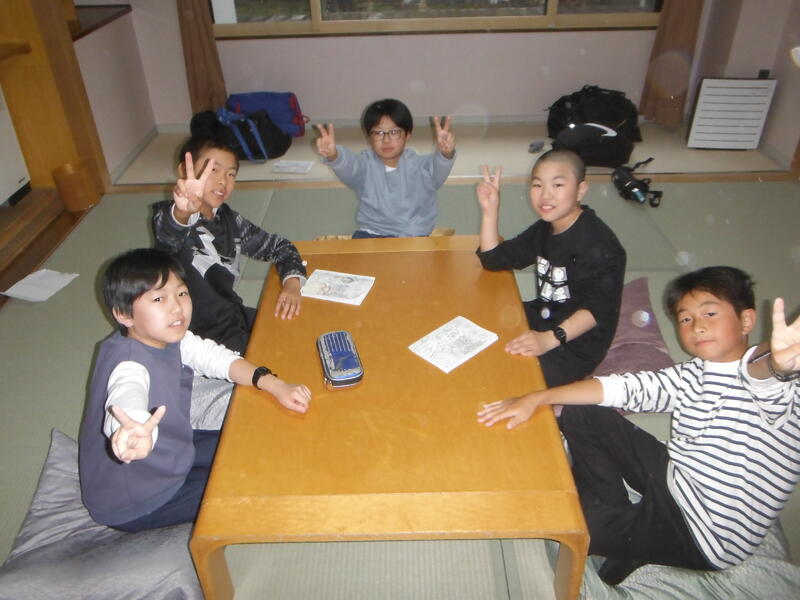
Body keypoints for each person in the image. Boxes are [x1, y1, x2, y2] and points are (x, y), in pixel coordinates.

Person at [477, 266, 800, 585]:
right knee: (582, 412)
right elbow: (622, 387)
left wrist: (779, 365)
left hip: (704, 533)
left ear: (746, 320)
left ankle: (623, 542)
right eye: (685, 319)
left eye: (710, 313)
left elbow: (766, 375)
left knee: (567, 524)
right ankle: (618, 518)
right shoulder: (692, 373)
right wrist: (536, 398)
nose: (697, 327)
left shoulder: (780, 386)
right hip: (677, 476)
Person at [78, 248, 311, 531]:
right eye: (159, 299)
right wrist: (131, 429)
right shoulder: (128, 363)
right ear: (124, 314)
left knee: (255, 442)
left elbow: (214, 357)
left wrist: (274, 384)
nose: (177, 307)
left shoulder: (165, 337)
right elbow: (126, 393)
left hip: (173, 449)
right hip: (137, 499)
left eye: (182, 293)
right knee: (257, 480)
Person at [476, 149, 626, 387]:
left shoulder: (601, 245)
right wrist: (489, 211)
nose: (545, 195)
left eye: (557, 185)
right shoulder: (545, 228)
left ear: (581, 190)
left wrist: (549, 339)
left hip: (577, 344)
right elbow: (494, 259)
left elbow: (596, 310)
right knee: (478, 322)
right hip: (545, 315)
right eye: (537, 185)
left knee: (508, 379)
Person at [152, 125, 306, 355]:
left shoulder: (229, 219)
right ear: (185, 170)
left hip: (232, 315)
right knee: (279, 359)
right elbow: (168, 235)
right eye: (213, 170)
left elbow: (280, 246)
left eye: (231, 174)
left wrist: (292, 284)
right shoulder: (172, 218)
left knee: (300, 328)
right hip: (201, 337)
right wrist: (182, 211)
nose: (223, 181)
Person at [314, 98, 456, 238]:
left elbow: (438, 169)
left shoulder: (420, 166)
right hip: (372, 233)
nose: (386, 140)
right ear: (369, 137)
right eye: (378, 133)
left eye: (394, 132)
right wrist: (334, 155)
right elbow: (350, 166)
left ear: (407, 135)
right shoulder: (365, 164)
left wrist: (446, 153)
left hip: (414, 235)